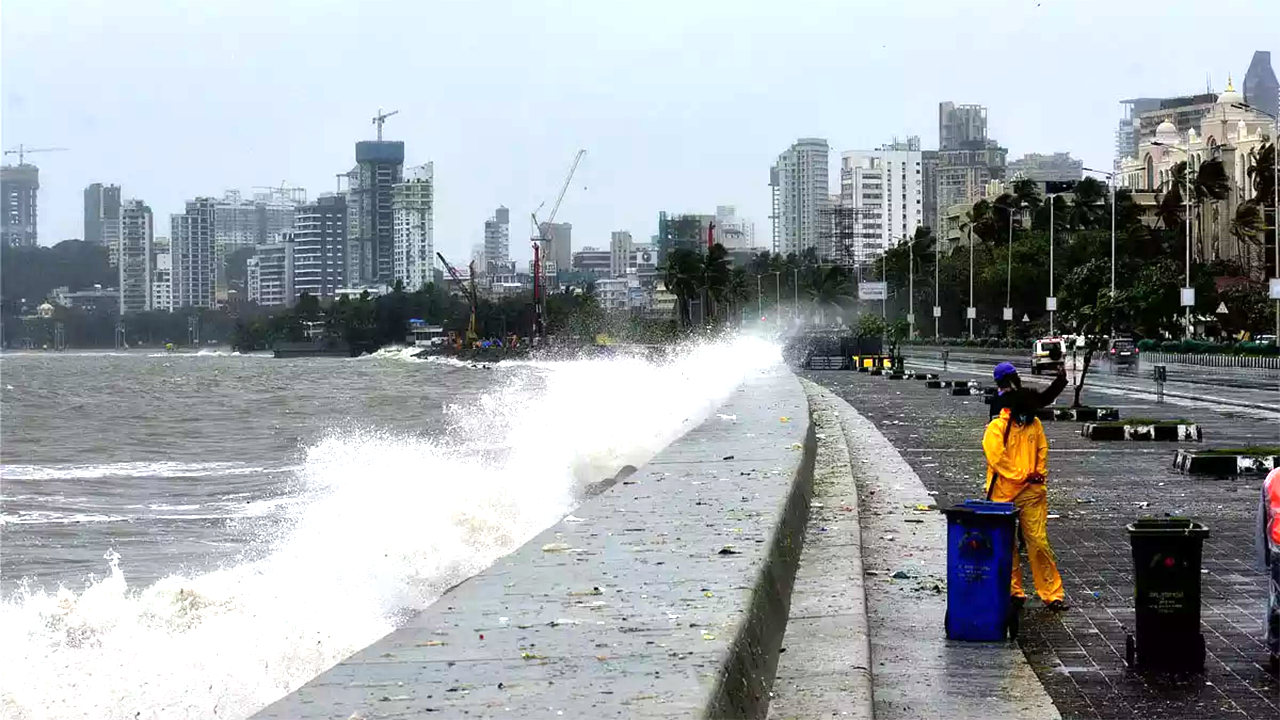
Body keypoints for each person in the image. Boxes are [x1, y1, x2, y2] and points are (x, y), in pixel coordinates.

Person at [983, 388, 1067, 611]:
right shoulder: (997, 428)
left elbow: (1042, 450)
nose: (1029, 416)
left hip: (1031, 494)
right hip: (1003, 495)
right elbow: (996, 458)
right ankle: (1013, 591)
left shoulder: (1035, 424)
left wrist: (1039, 475)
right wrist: (1021, 476)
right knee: (1006, 545)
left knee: (1038, 542)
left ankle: (1052, 594)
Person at [988, 361, 1068, 420]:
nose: (1018, 379)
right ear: (1009, 380)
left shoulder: (995, 399)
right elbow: (1045, 399)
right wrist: (1060, 379)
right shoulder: (1022, 396)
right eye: (1015, 376)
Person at [1261, 467, 1280, 673]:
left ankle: (1276, 650)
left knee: (1278, 602)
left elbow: (1265, 517)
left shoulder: (1273, 477)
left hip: (1278, 546)